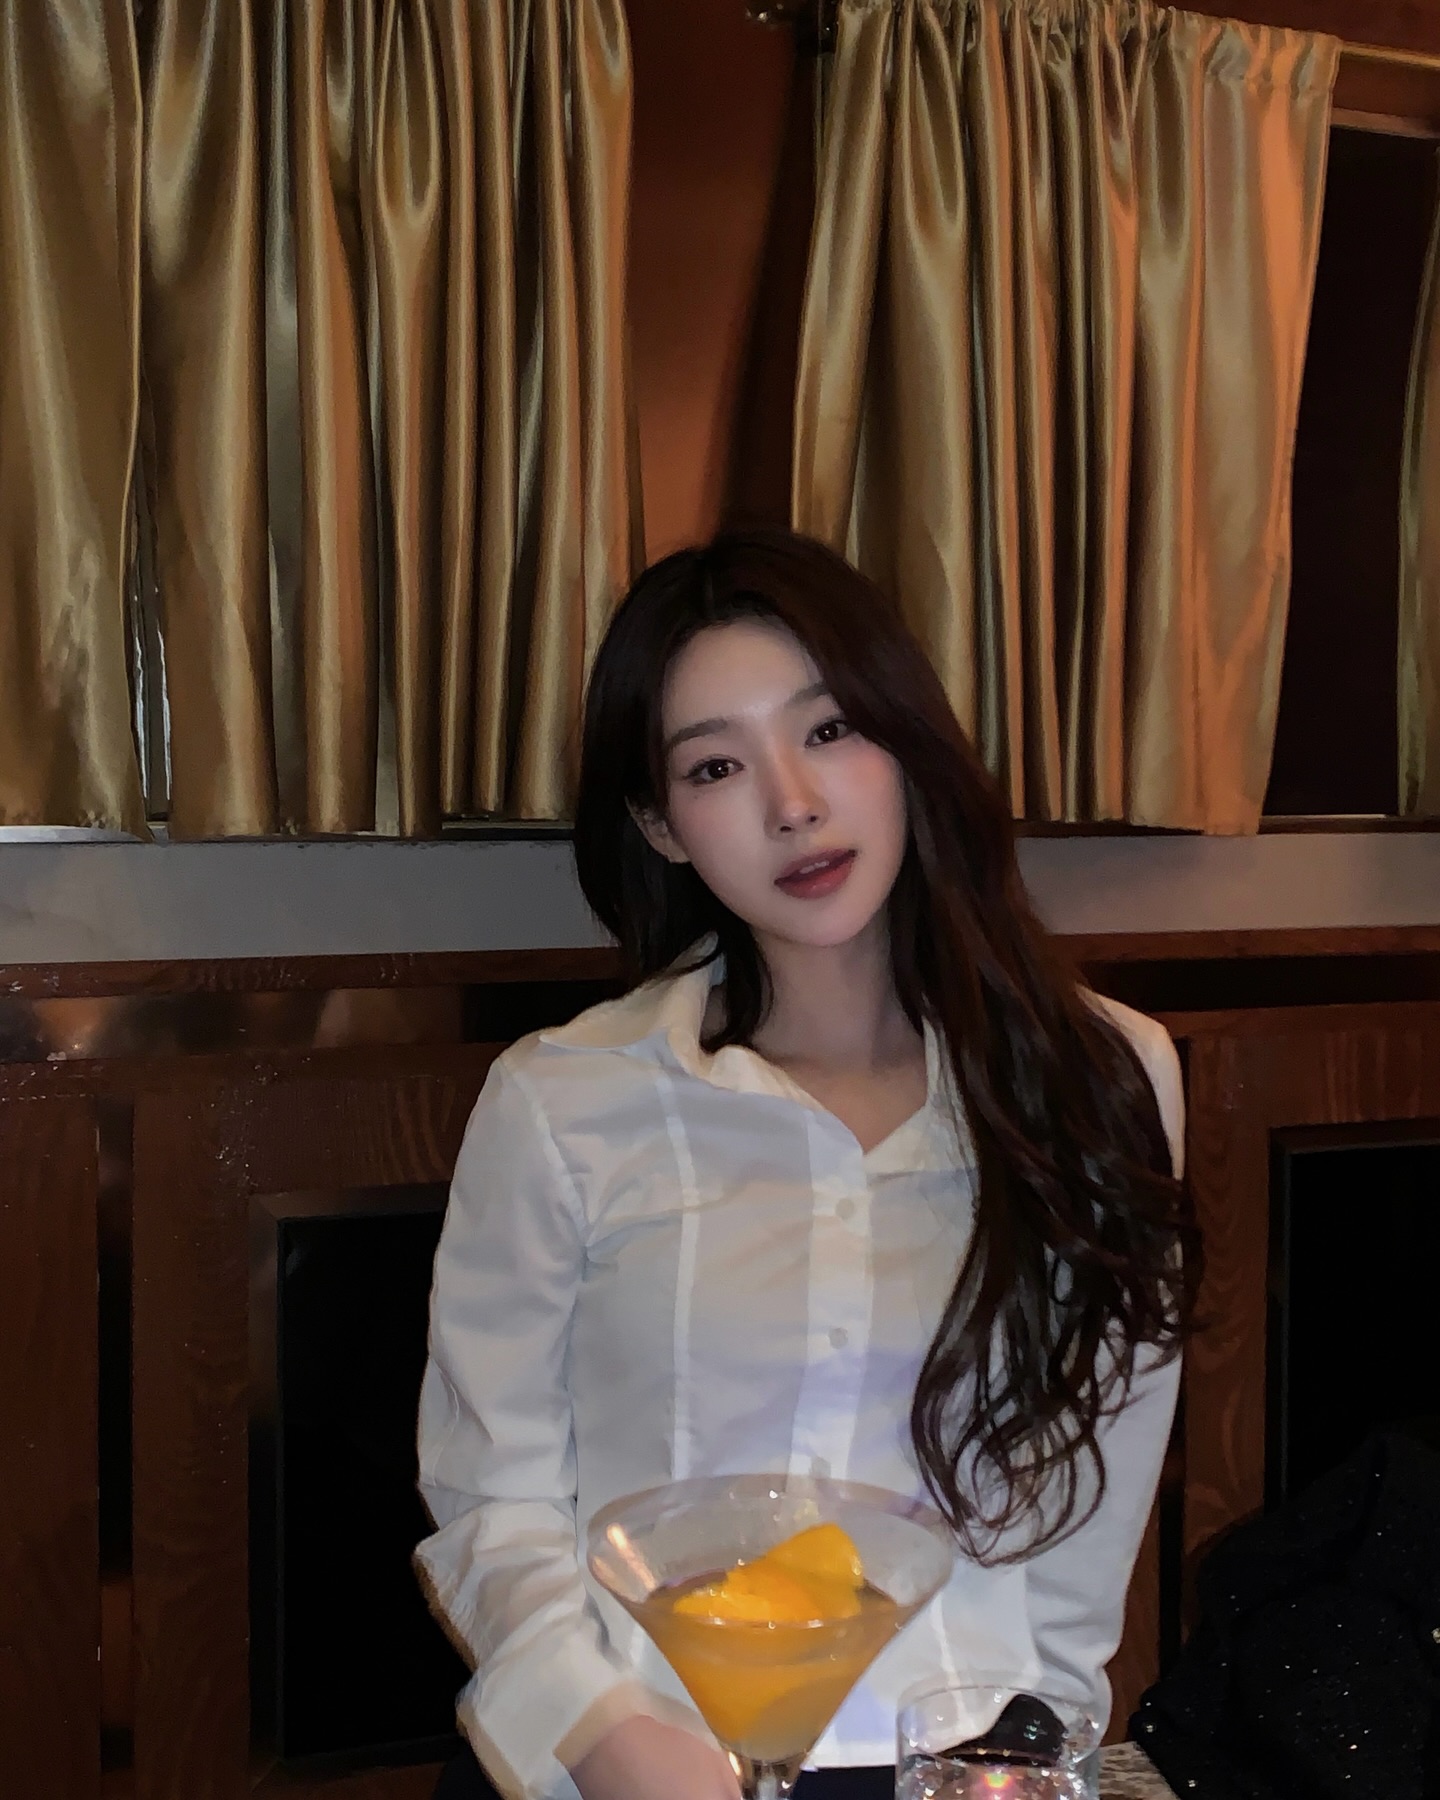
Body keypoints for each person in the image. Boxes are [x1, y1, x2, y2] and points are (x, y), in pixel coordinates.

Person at [415, 529, 1200, 1800]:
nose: (792, 803)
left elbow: (1093, 1506)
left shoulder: (1105, 1073)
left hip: (955, 1761)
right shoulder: (565, 1101)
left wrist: (1031, 1751)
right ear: (661, 825)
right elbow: (488, 1492)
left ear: (906, 741)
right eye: (716, 765)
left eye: (829, 730)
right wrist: (607, 1739)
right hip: (632, 1763)